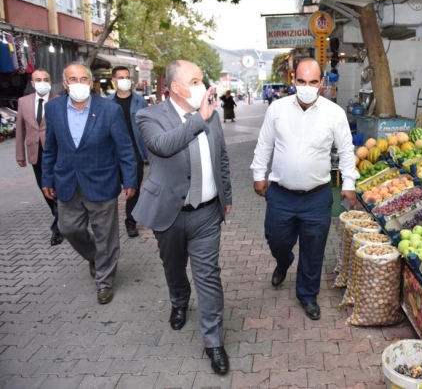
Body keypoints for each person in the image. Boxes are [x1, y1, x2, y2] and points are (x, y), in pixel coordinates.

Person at [132, 60, 232, 375]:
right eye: (195, 81)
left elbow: (222, 157)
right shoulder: (149, 116)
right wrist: (199, 118)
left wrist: (226, 196)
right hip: (169, 213)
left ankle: (214, 342)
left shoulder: (212, 115)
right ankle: (179, 300)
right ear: (176, 87)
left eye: (202, 80)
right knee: (174, 267)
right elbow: (163, 146)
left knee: (208, 275)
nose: (202, 86)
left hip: (206, 213)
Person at [250, 58, 359, 321]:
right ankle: (283, 260)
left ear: (321, 83)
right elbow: (264, 144)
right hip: (280, 194)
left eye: (312, 81)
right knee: (276, 239)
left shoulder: (334, 113)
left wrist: (349, 184)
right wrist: (258, 174)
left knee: (313, 248)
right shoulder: (277, 109)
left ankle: (308, 295)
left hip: (317, 196)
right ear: (293, 80)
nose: (307, 86)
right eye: (301, 81)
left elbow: (346, 151)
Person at [41, 62, 138, 305]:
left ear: (91, 82)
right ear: (65, 84)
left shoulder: (109, 110)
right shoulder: (53, 109)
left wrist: (130, 179)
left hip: (102, 181)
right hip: (66, 181)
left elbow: (125, 148)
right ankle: (95, 256)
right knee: (68, 228)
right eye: (73, 79)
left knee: (106, 235)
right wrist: (47, 178)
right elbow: (50, 148)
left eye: (83, 79)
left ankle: (104, 282)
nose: (79, 84)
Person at [15, 69, 63, 246]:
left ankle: (58, 226)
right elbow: (20, 129)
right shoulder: (23, 102)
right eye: (38, 80)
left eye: (46, 79)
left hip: (57, 152)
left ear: (50, 81)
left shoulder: (59, 100)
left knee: (57, 187)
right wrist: (20, 154)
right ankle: (59, 216)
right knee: (44, 187)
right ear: (32, 83)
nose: (43, 82)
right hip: (36, 152)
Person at [106, 66, 149, 237]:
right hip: (112, 152)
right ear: (114, 80)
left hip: (135, 151)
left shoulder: (140, 101)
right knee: (110, 187)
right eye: (121, 77)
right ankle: (106, 221)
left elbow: (146, 126)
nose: (125, 80)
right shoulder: (106, 102)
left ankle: (131, 221)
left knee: (134, 188)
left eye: (127, 77)